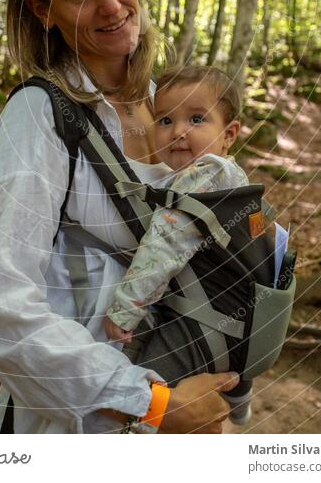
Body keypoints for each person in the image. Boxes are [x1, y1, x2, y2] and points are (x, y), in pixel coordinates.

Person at [0, 0, 239, 434]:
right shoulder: (41, 115)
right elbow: (0, 308)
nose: (111, 5)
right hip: (83, 425)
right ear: (43, 11)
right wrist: (153, 404)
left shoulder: (171, 107)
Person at [103, 64, 253, 425]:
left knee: (148, 397)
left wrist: (125, 310)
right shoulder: (234, 177)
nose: (179, 132)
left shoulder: (206, 175)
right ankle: (239, 398)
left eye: (197, 119)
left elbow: (165, 245)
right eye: (166, 120)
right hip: (237, 321)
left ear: (229, 133)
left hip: (203, 324)